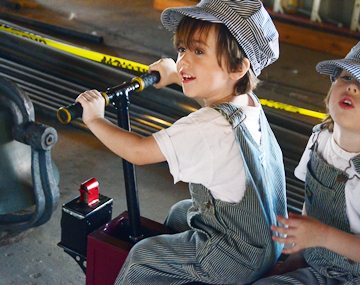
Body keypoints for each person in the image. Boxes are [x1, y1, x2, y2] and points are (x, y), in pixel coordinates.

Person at [76, 0, 287, 284]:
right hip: (264, 241)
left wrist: (94, 119)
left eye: (199, 51)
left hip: (234, 257)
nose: (185, 61)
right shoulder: (246, 103)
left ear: (238, 67)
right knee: (179, 213)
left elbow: (138, 151)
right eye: (182, 49)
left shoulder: (207, 127)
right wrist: (175, 74)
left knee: (143, 256)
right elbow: (215, 92)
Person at [254, 35, 360, 285]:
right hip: (317, 266)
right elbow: (312, 204)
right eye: (347, 76)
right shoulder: (321, 138)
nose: (352, 86)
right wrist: (295, 259)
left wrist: (322, 236)